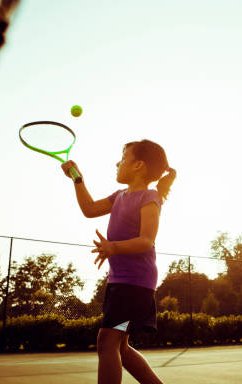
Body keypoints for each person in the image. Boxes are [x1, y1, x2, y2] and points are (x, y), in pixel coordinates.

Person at [61, 139, 176, 384]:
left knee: (107, 343)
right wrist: (77, 179)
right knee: (120, 348)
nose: (117, 162)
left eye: (123, 158)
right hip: (122, 283)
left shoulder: (150, 197)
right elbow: (90, 209)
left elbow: (146, 240)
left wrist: (113, 247)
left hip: (134, 284)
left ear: (139, 166)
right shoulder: (119, 196)